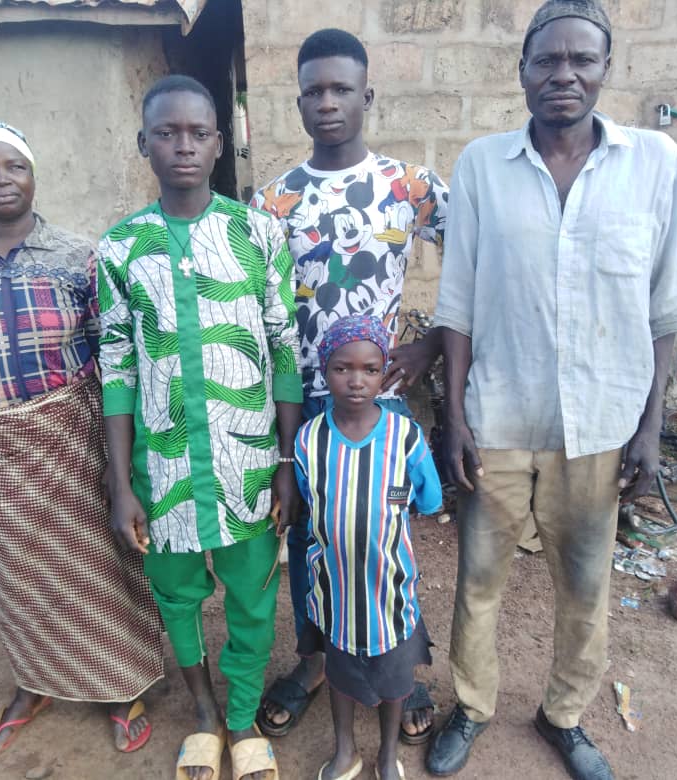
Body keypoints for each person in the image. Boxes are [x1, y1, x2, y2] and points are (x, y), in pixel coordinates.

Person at [425, 2, 677, 778]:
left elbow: (667, 306)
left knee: (584, 587)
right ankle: (472, 705)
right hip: (499, 419)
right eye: (548, 60)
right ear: (522, 71)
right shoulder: (482, 165)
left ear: (606, 69)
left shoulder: (654, 164)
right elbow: (457, 303)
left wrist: (650, 428)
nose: (565, 75)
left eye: (582, 60)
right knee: (479, 582)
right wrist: (455, 418)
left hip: (603, 425)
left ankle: (565, 715)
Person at [0, 122, 165, 760]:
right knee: (19, 575)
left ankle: (120, 686)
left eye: (15, 166)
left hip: (75, 439)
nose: (1, 180)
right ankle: (34, 685)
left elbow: (117, 361)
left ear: (33, 175)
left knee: (100, 567)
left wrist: (120, 464)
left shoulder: (80, 257)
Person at [97, 75, 301, 780]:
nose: (183, 146)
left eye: (197, 133)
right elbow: (117, 369)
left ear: (219, 143)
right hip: (164, 473)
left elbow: (284, 353)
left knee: (252, 598)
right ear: (144, 144)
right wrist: (121, 484)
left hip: (248, 465)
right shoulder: (119, 249)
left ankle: (242, 718)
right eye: (166, 133)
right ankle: (205, 716)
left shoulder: (258, 234)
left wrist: (285, 464)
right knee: (177, 596)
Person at [250, 27, 448, 745]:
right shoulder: (271, 202)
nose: (328, 102)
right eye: (314, 91)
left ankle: (401, 664)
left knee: (385, 537)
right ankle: (315, 662)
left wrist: (431, 341)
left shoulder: (411, 187)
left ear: (369, 95)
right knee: (313, 535)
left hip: (380, 401)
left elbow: (483, 260)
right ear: (298, 102)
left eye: (342, 89)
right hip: (302, 402)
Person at [295, 315, 442, 780]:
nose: (356, 381)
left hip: (390, 594)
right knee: (340, 676)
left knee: (396, 682)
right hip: (336, 594)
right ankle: (346, 751)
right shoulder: (309, 440)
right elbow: (309, 499)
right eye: (342, 368)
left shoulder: (405, 437)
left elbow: (429, 499)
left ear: (384, 374)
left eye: (370, 369)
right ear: (324, 370)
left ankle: (386, 754)